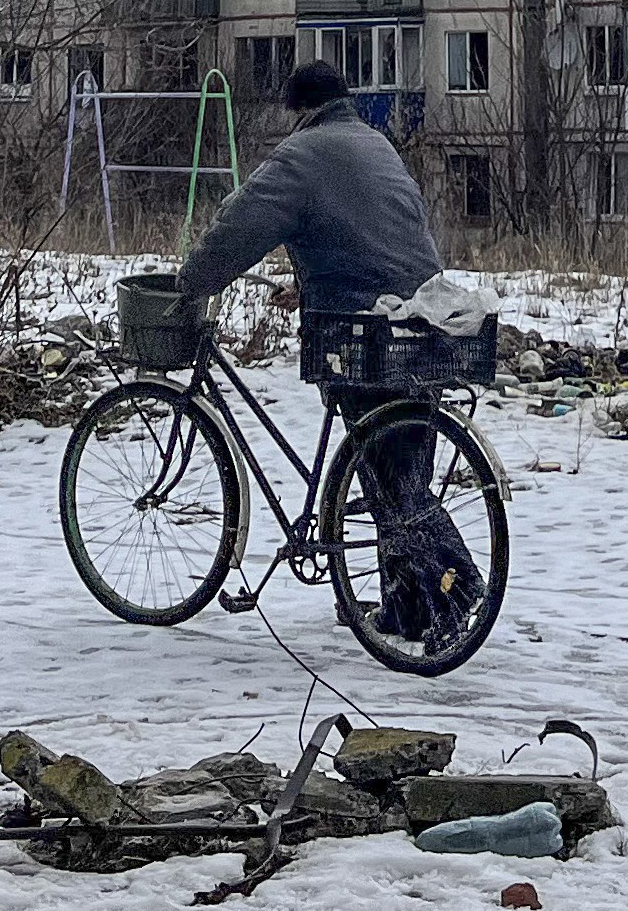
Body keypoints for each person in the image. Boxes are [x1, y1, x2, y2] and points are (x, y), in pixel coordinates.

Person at [174, 60, 479, 646]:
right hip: (418, 320)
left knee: (392, 479)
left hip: (361, 329)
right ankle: (406, 610)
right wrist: (307, 286)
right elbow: (366, 233)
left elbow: (239, 226)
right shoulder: (374, 143)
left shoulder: (303, 155)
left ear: (300, 111)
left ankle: (453, 591)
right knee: (399, 467)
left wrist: (192, 283)